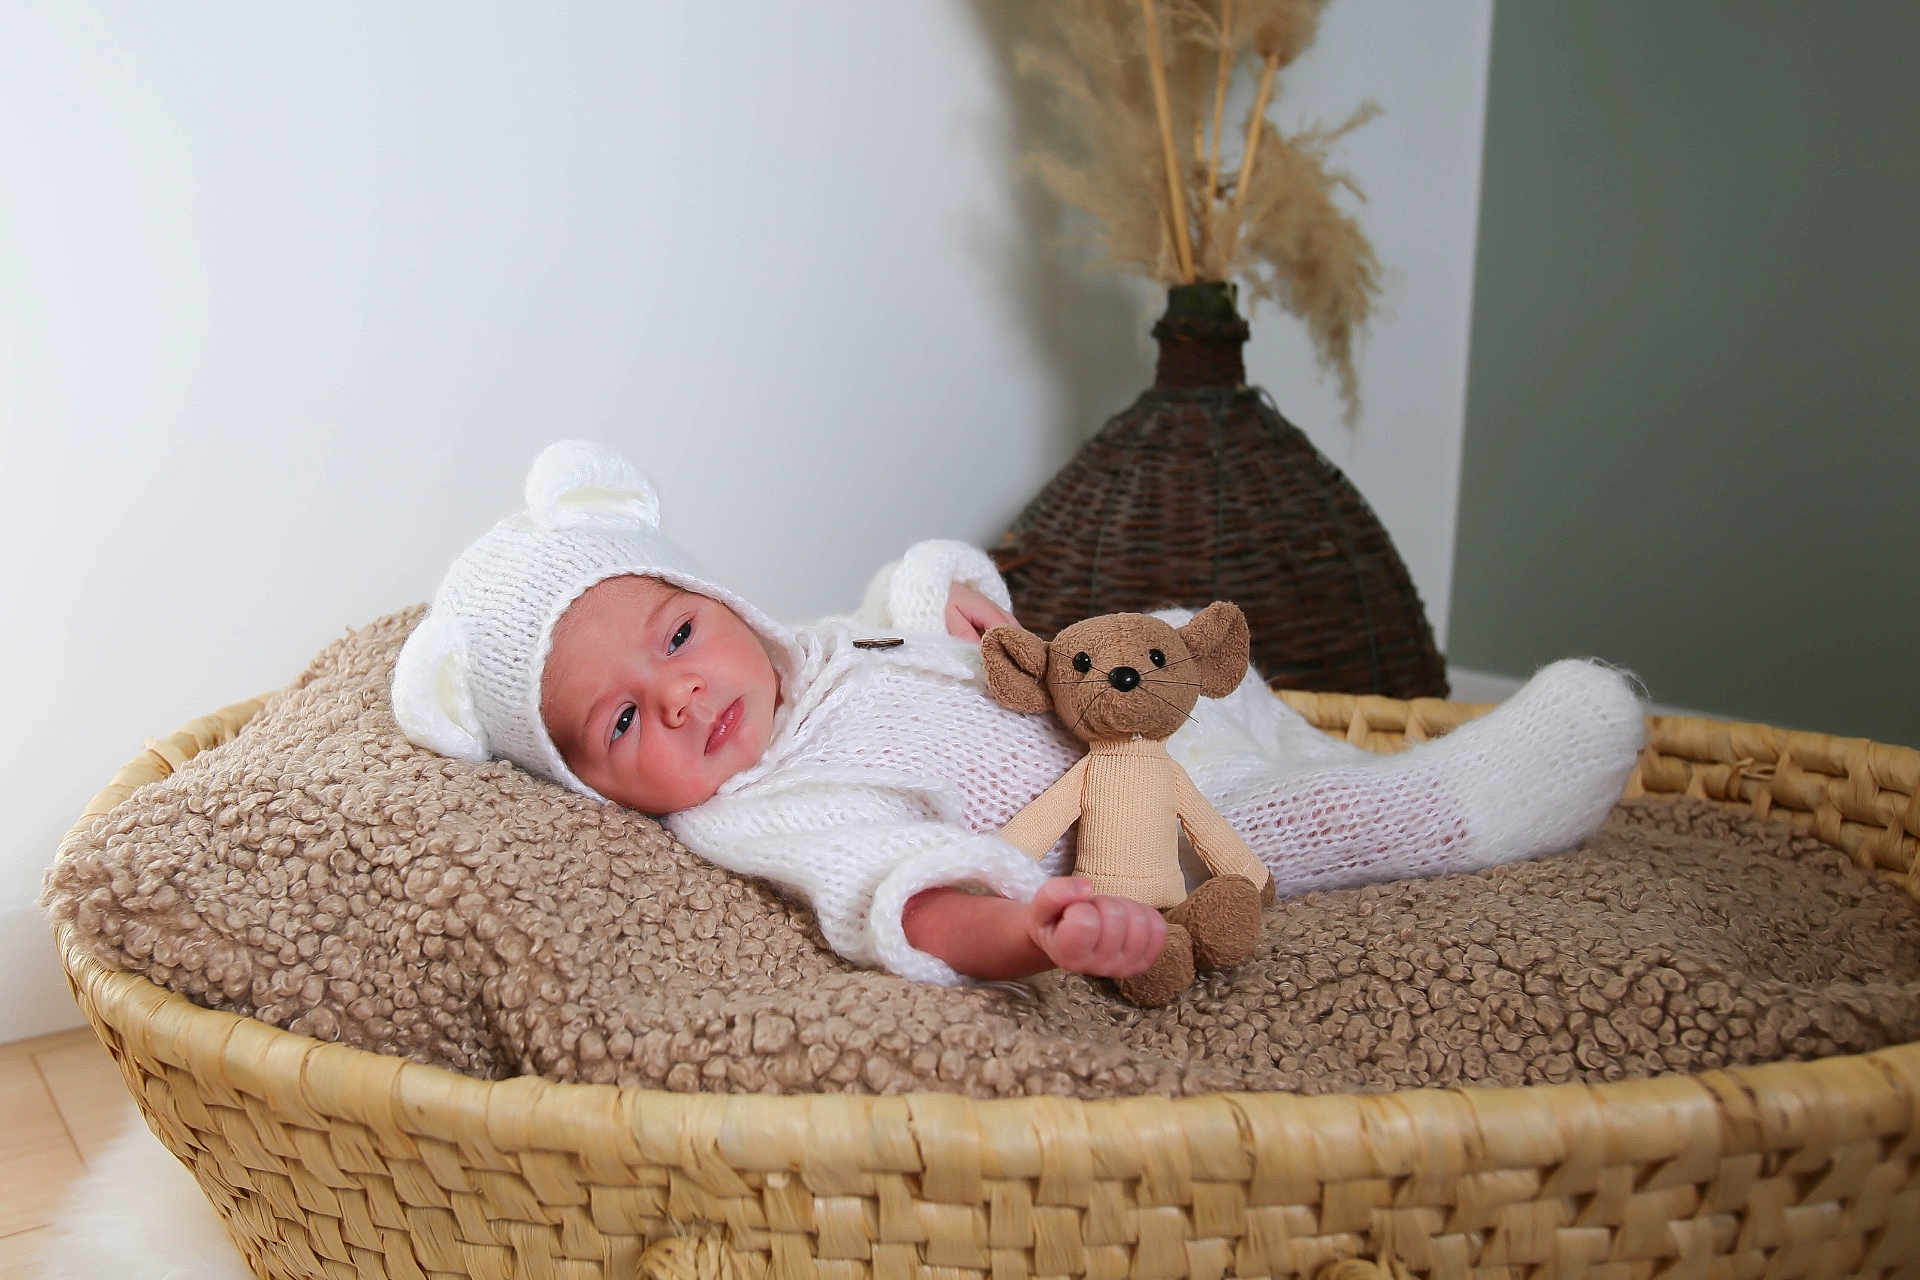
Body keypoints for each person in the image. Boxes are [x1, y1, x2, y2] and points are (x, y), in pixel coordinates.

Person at [393, 441, 1647, 989]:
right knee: (1282, 827)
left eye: (676, 632)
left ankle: (1315, 737)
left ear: (715, 595)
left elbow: (909, 624)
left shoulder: (809, 650)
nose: (679, 693)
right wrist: (1033, 928)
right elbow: (898, 894)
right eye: (619, 724)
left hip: (1110, 707)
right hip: (1121, 832)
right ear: (588, 785)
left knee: (1143, 624)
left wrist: (949, 599)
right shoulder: (764, 811)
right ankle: (1458, 806)